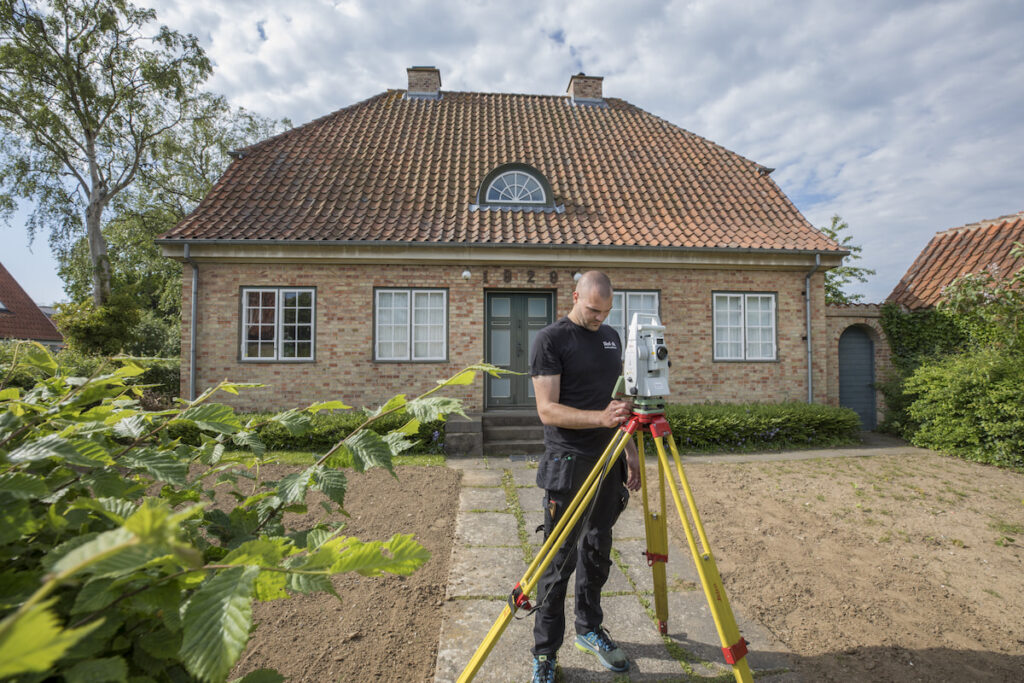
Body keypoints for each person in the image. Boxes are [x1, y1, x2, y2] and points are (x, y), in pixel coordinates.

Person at [528, 270, 641, 683]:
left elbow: (615, 403)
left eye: (606, 312)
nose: (599, 318)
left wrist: (629, 451)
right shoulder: (551, 340)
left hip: (608, 459)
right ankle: (545, 652)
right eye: (593, 310)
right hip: (568, 463)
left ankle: (589, 628)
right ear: (575, 297)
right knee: (558, 560)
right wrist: (599, 418)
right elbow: (547, 409)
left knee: (596, 550)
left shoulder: (611, 338)